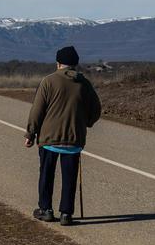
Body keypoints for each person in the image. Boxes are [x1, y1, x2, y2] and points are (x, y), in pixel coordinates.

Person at [24, 46, 101, 226]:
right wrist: (86, 122)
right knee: (69, 178)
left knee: (46, 175)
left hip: (49, 138)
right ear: (75, 64)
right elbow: (96, 109)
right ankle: (66, 214)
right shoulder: (84, 83)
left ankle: (46, 210)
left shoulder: (48, 81)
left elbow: (37, 110)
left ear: (58, 63)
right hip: (74, 139)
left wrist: (30, 133)